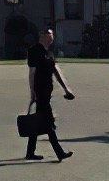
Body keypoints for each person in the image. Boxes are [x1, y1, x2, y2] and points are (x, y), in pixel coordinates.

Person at [25, 27, 75, 162]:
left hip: (47, 92)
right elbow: (32, 74)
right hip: (40, 92)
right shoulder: (34, 51)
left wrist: (66, 89)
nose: (52, 37)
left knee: (38, 120)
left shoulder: (49, 53)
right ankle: (59, 153)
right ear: (43, 36)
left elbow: (56, 72)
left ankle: (30, 152)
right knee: (48, 123)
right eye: (50, 35)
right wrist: (32, 94)